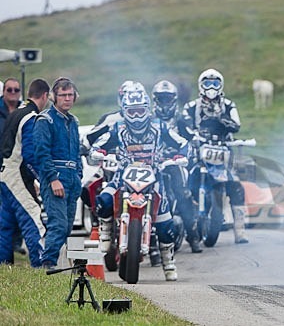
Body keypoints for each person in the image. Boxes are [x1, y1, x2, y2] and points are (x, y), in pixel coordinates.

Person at [93, 84, 188, 281]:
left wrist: (180, 156)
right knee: (104, 199)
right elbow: (98, 144)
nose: (136, 116)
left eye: (140, 111)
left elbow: (182, 142)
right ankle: (106, 231)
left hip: (154, 177)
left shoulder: (160, 127)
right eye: (132, 111)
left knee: (165, 224)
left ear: (147, 110)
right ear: (124, 111)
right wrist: (99, 152)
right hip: (122, 176)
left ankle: (168, 262)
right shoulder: (117, 128)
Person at [180, 68, 249, 244]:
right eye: (207, 83)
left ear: (221, 85)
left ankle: (240, 231)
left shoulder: (228, 105)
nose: (211, 87)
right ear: (201, 85)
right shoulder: (192, 106)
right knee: (184, 180)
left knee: (236, 186)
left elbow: (236, 125)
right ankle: (182, 218)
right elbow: (184, 124)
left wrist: (222, 119)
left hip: (222, 150)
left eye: (215, 83)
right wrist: (193, 135)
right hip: (199, 150)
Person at [33, 77, 82, 269]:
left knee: (67, 227)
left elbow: (77, 152)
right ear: (54, 97)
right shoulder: (45, 120)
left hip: (72, 179)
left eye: (70, 95)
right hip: (55, 178)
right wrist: (53, 179)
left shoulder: (74, 121)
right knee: (58, 224)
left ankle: (49, 261)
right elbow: (41, 153)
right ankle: (47, 264)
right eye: (63, 95)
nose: (67, 99)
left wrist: (78, 175)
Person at [0, 78, 50, 266]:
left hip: (5, 174)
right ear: (45, 96)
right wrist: (42, 179)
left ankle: (4, 266)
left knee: (5, 225)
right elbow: (30, 154)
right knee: (34, 219)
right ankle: (41, 267)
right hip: (16, 176)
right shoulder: (30, 117)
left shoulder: (16, 113)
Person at [152, 79, 203, 254]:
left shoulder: (181, 118)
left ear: (174, 99)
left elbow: (191, 137)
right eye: (161, 98)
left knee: (182, 194)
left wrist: (191, 149)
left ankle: (193, 236)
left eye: (168, 98)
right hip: (151, 163)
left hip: (174, 162)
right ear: (155, 99)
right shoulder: (148, 118)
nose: (164, 102)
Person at [0, 77, 25, 254]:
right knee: (4, 209)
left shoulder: (24, 111)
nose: (13, 93)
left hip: (19, 167)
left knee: (19, 206)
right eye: (9, 90)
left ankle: (15, 243)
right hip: (1, 164)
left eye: (16, 90)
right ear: (3, 92)